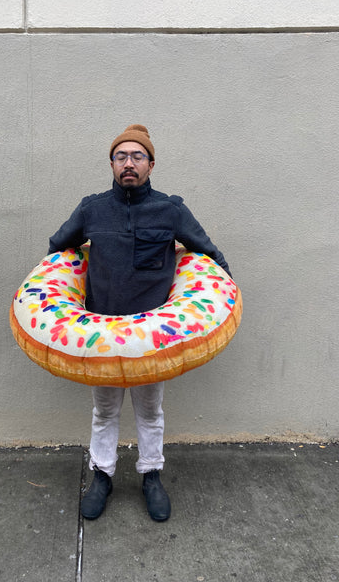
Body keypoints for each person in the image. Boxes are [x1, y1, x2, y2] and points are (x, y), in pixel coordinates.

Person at [48, 124, 231, 522]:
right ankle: (102, 475)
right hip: (102, 333)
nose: (128, 164)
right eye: (121, 157)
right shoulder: (92, 209)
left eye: (137, 157)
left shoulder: (170, 210)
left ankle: (151, 475)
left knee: (150, 412)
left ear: (151, 163)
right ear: (112, 163)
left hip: (152, 337)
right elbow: (58, 246)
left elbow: (209, 253)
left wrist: (222, 295)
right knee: (104, 412)